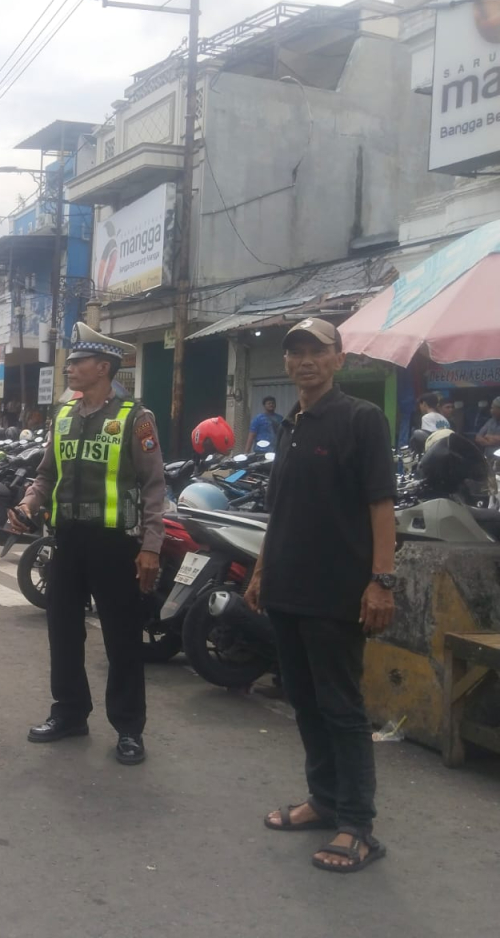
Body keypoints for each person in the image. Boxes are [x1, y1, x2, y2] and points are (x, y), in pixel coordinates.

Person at [244, 318, 395, 874]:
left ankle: (357, 824)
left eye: (317, 351)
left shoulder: (361, 419)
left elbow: (382, 507)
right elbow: (279, 510)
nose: (305, 360)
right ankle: (324, 799)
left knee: (341, 707)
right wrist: (261, 572)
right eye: (296, 352)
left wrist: (382, 580)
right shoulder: (289, 425)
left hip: (336, 592)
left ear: (338, 358)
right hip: (285, 587)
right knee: (304, 703)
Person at [9, 323, 167, 766]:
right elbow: (46, 474)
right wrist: (27, 505)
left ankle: (129, 728)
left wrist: (151, 546)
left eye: (78, 362)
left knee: (121, 640)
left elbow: (155, 486)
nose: (70, 369)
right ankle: (70, 713)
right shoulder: (63, 417)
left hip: (117, 545)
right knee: (63, 632)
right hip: (68, 542)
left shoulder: (137, 418)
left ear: (103, 367)